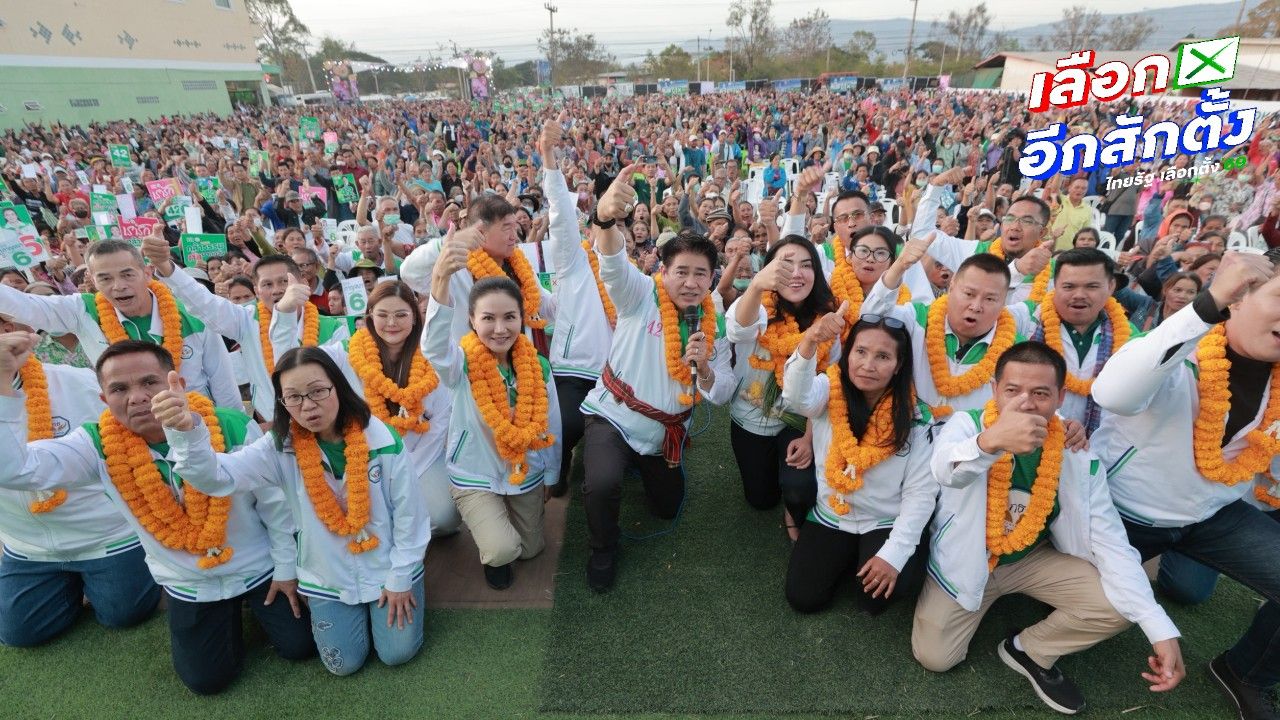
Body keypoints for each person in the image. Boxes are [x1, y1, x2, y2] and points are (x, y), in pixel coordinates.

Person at [0, 339, 313, 692]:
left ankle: (251, 609)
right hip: (190, 583)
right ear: (104, 400)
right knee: (206, 682)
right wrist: (2, 384)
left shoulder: (230, 425)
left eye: (149, 382)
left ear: (174, 383)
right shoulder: (96, 444)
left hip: (259, 569)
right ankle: (226, 617)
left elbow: (275, 506)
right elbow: (16, 471)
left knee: (300, 646)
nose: (136, 397)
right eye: (119, 388)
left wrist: (286, 569)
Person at [916, 341, 1184, 714]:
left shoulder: (1075, 449)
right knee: (936, 658)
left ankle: (1028, 648)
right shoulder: (967, 424)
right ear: (994, 390)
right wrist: (990, 442)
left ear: (1060, 396)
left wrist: (1160, 628)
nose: (1025, 403)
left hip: (1033, 559)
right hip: (965, 562)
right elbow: (945, 470)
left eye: (1040, 393)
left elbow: (1110, 541)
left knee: (1121, 607)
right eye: (1012, 391)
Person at [1091, 251, 1280, 718]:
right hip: (1126, 511)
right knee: (1097, 606)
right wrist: (1206, 302)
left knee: (1188, 591)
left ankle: (1245, 671)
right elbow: (1111, 392)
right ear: (1237, 298)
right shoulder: (1182, 346)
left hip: (1213, 515)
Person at [163, 346, 429, 677]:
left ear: (338, 386)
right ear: (282, 402)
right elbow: (217, 477)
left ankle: (398, 601)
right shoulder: (280, 445)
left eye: (318, 391)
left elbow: (409, 515)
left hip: (385, 565)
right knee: (342, 664)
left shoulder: (381, 437)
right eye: (293, 397)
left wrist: (400, 577)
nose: (307, 405)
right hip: (327, 575)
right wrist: (186, 432)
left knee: (396, 653)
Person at [578, 172, 734, 593]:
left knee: (667, 508)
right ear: (663, 271)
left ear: (711, 279)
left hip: (667, 432)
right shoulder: (639, 294)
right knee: (603, 483)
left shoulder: (710, 318)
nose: (690, 282)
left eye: (701, 274)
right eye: (681, 271)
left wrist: (703, 369)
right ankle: (603, 547)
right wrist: (605, 219)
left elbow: (721, 393)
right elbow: (611, 262)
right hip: (614, 416)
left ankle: (637, 469)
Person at [0, 329, 158, 647]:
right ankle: (66, 587)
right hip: (28, 546)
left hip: (104, 535)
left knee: (124, 615)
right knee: (19, 634)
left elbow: (136, 439)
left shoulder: (75, 381)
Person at [274, 279, 459, 539]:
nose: (392, 323)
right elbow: (294, 365)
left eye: (401, 315)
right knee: (372, 518)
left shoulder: (432, 354)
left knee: (445, 517)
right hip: (363, 456)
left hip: (422, 455)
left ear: (415, 318)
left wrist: (404, 467)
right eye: (382, 315)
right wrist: (284, 312)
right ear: (370, 317)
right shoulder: (345, 353)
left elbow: (440, 421)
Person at [780, 307, 935, 615]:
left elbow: (920, 493)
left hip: (883, 520)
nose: (867, 365)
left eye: (882, 356)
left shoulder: (916, 415)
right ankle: (842, 552)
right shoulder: (828, 389)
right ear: (847, 355)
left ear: (898, 364)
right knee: (804, 598)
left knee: (877, 601)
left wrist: (893, 554)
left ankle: (875, 553)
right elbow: (796, 398)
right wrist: (810, 340)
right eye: (860, 352)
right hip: (831, 514)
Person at [424, 271, 560, 589]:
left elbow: (551, 423)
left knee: (530, 550)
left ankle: (502, 522)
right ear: (472, 319)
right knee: (503, 550)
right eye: (488, 318)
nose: (500, 329)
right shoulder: (459, 363)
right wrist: (440, 283)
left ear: (522, 316)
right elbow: (432, 348)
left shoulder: (537, 364)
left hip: (523, 471)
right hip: (474, 475)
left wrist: (551, 474)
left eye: (509, 317)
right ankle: (493, 544)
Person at [0, 239, 241, 409]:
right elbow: (22, 305)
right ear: (93, 281)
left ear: (147, 273)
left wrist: (233, 429)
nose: (118, 286)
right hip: (131, 435)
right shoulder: (81, 310)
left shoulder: (191, 311)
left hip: (199, 423)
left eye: (127, 274)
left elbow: (223, 383)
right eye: (105, 278)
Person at [144, 234, 351, 420]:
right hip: (271, 428)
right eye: (267, 285)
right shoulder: (245, 319)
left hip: (325, 423)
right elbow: (204, 302)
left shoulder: (333, 328)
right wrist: (166, 267)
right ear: (257, 291)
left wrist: (285, 314)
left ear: (303, 283)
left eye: (284, 282)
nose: (277, 290)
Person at [727, 236, 837, 537]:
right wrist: (756, 285)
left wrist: (810, 437)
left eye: (806, 265)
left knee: (800, 492)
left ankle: (792, 506)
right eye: (786, 264)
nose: (797, 273)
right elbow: (738, 328)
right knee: (761, 500)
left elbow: (832, 382)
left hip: (799, 421)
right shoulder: (757, 304)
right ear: (770, 269)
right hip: (752, 417)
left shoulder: (827, 318)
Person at [399, 195, 555, 354]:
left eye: (515, 228)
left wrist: (572, 284)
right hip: (472, 367)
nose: (514, 236)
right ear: (480, 231)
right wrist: (447, 243)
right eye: (507, 228)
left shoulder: (520, 264)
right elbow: (409, 273)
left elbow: (544, 306)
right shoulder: (457, 266)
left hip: (521, 365)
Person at [914, 168, 1056, 305]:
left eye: (1026, 221)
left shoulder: (1055, 274)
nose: (1015, 226)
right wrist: (936, 186)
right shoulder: (973, 253)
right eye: (1010, 218)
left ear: (1042, 232)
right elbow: (923, 234)